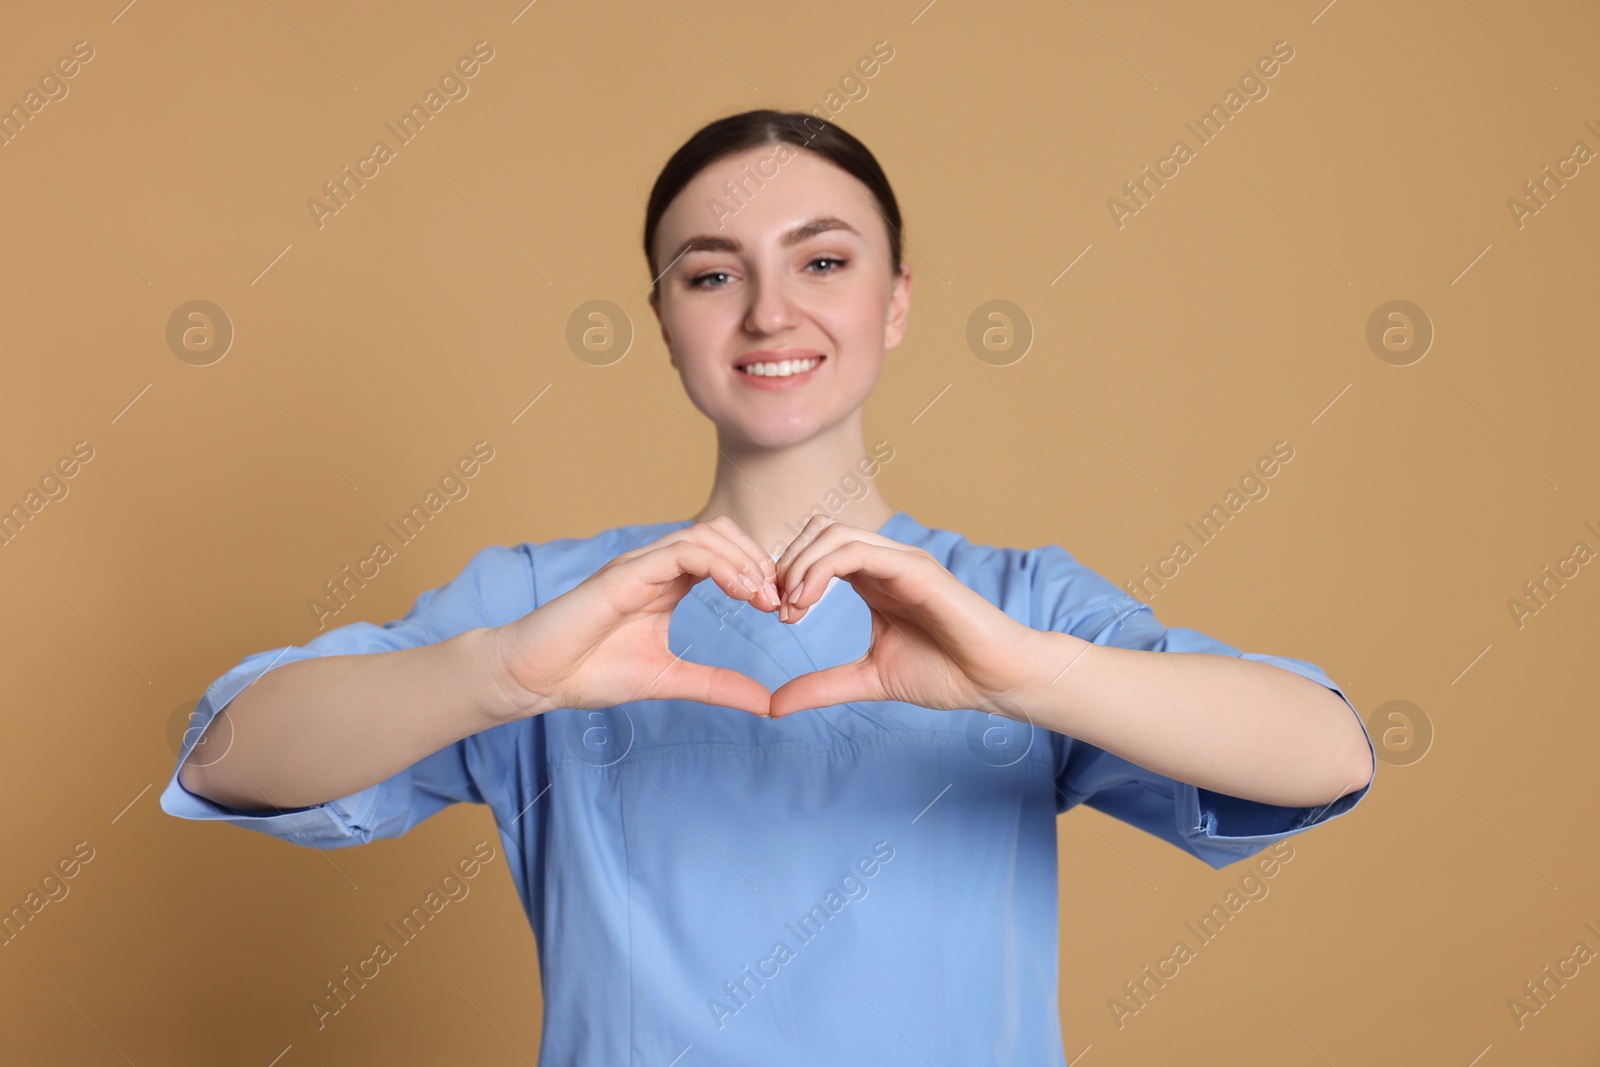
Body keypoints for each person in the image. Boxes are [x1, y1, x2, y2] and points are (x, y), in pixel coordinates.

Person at [162, 108, 1376, 1064]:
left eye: (824, 261)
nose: (770, 312)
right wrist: (501, 672)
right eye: (710, 274)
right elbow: (227, 754)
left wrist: (1025, 671)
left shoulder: (1014, 605)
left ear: (895, 300)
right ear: (663, 317)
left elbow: (1325, 751)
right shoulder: (554, 605)